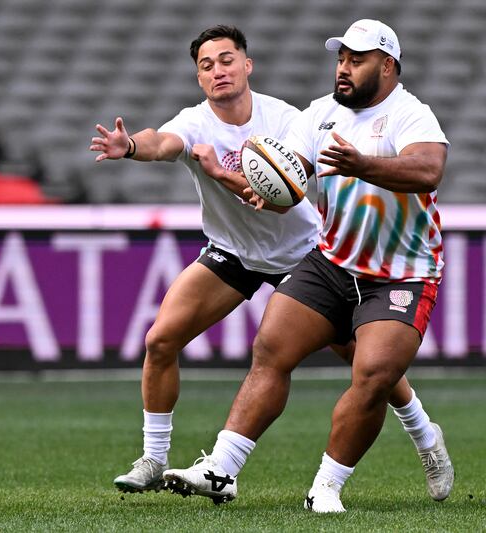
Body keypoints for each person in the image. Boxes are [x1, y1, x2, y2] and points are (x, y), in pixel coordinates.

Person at [88, 24, 450, 500]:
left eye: (226, 60)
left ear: (247, 65)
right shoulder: (246, 118)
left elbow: (421, 170)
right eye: (206, 65)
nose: (217, 71)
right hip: (266, 256)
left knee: (373, 370)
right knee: (181, 341)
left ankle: (422, 435)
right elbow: (172, 146)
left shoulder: (306, 115)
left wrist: (353, 165)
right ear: (197, 77)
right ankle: (185, 463)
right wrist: (135, 147)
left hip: (327, 256)